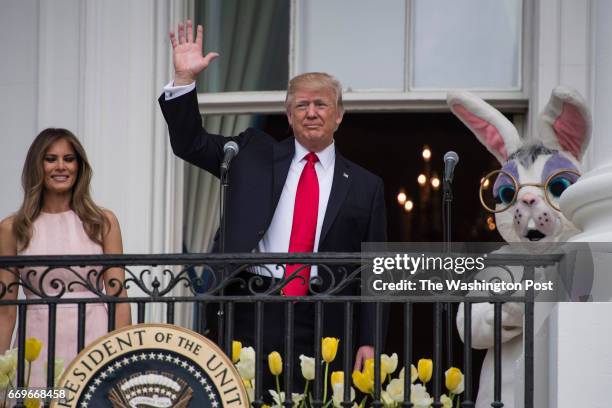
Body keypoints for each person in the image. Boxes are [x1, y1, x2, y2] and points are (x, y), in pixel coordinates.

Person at [159, 20, 387, 390]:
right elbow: (190, 144)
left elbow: (374, 270)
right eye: (302, 105)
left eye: (321, 104)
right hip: (252, 307)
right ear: (289, 114)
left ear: (339, 115)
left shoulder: (366, 185)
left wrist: (370, 340)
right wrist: (184, 80)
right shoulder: (251, 154)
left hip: (324, 319)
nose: (311, 112)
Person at [0, 128, 131, 387]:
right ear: (37, 166)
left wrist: (123, 361)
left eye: (69, 159)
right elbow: (5, 311)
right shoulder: (12, 228)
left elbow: (119, 298)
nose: (61, 166)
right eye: (51, 159)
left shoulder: (103, 221)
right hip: (37, 340)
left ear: (79, 167)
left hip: (94, 338)